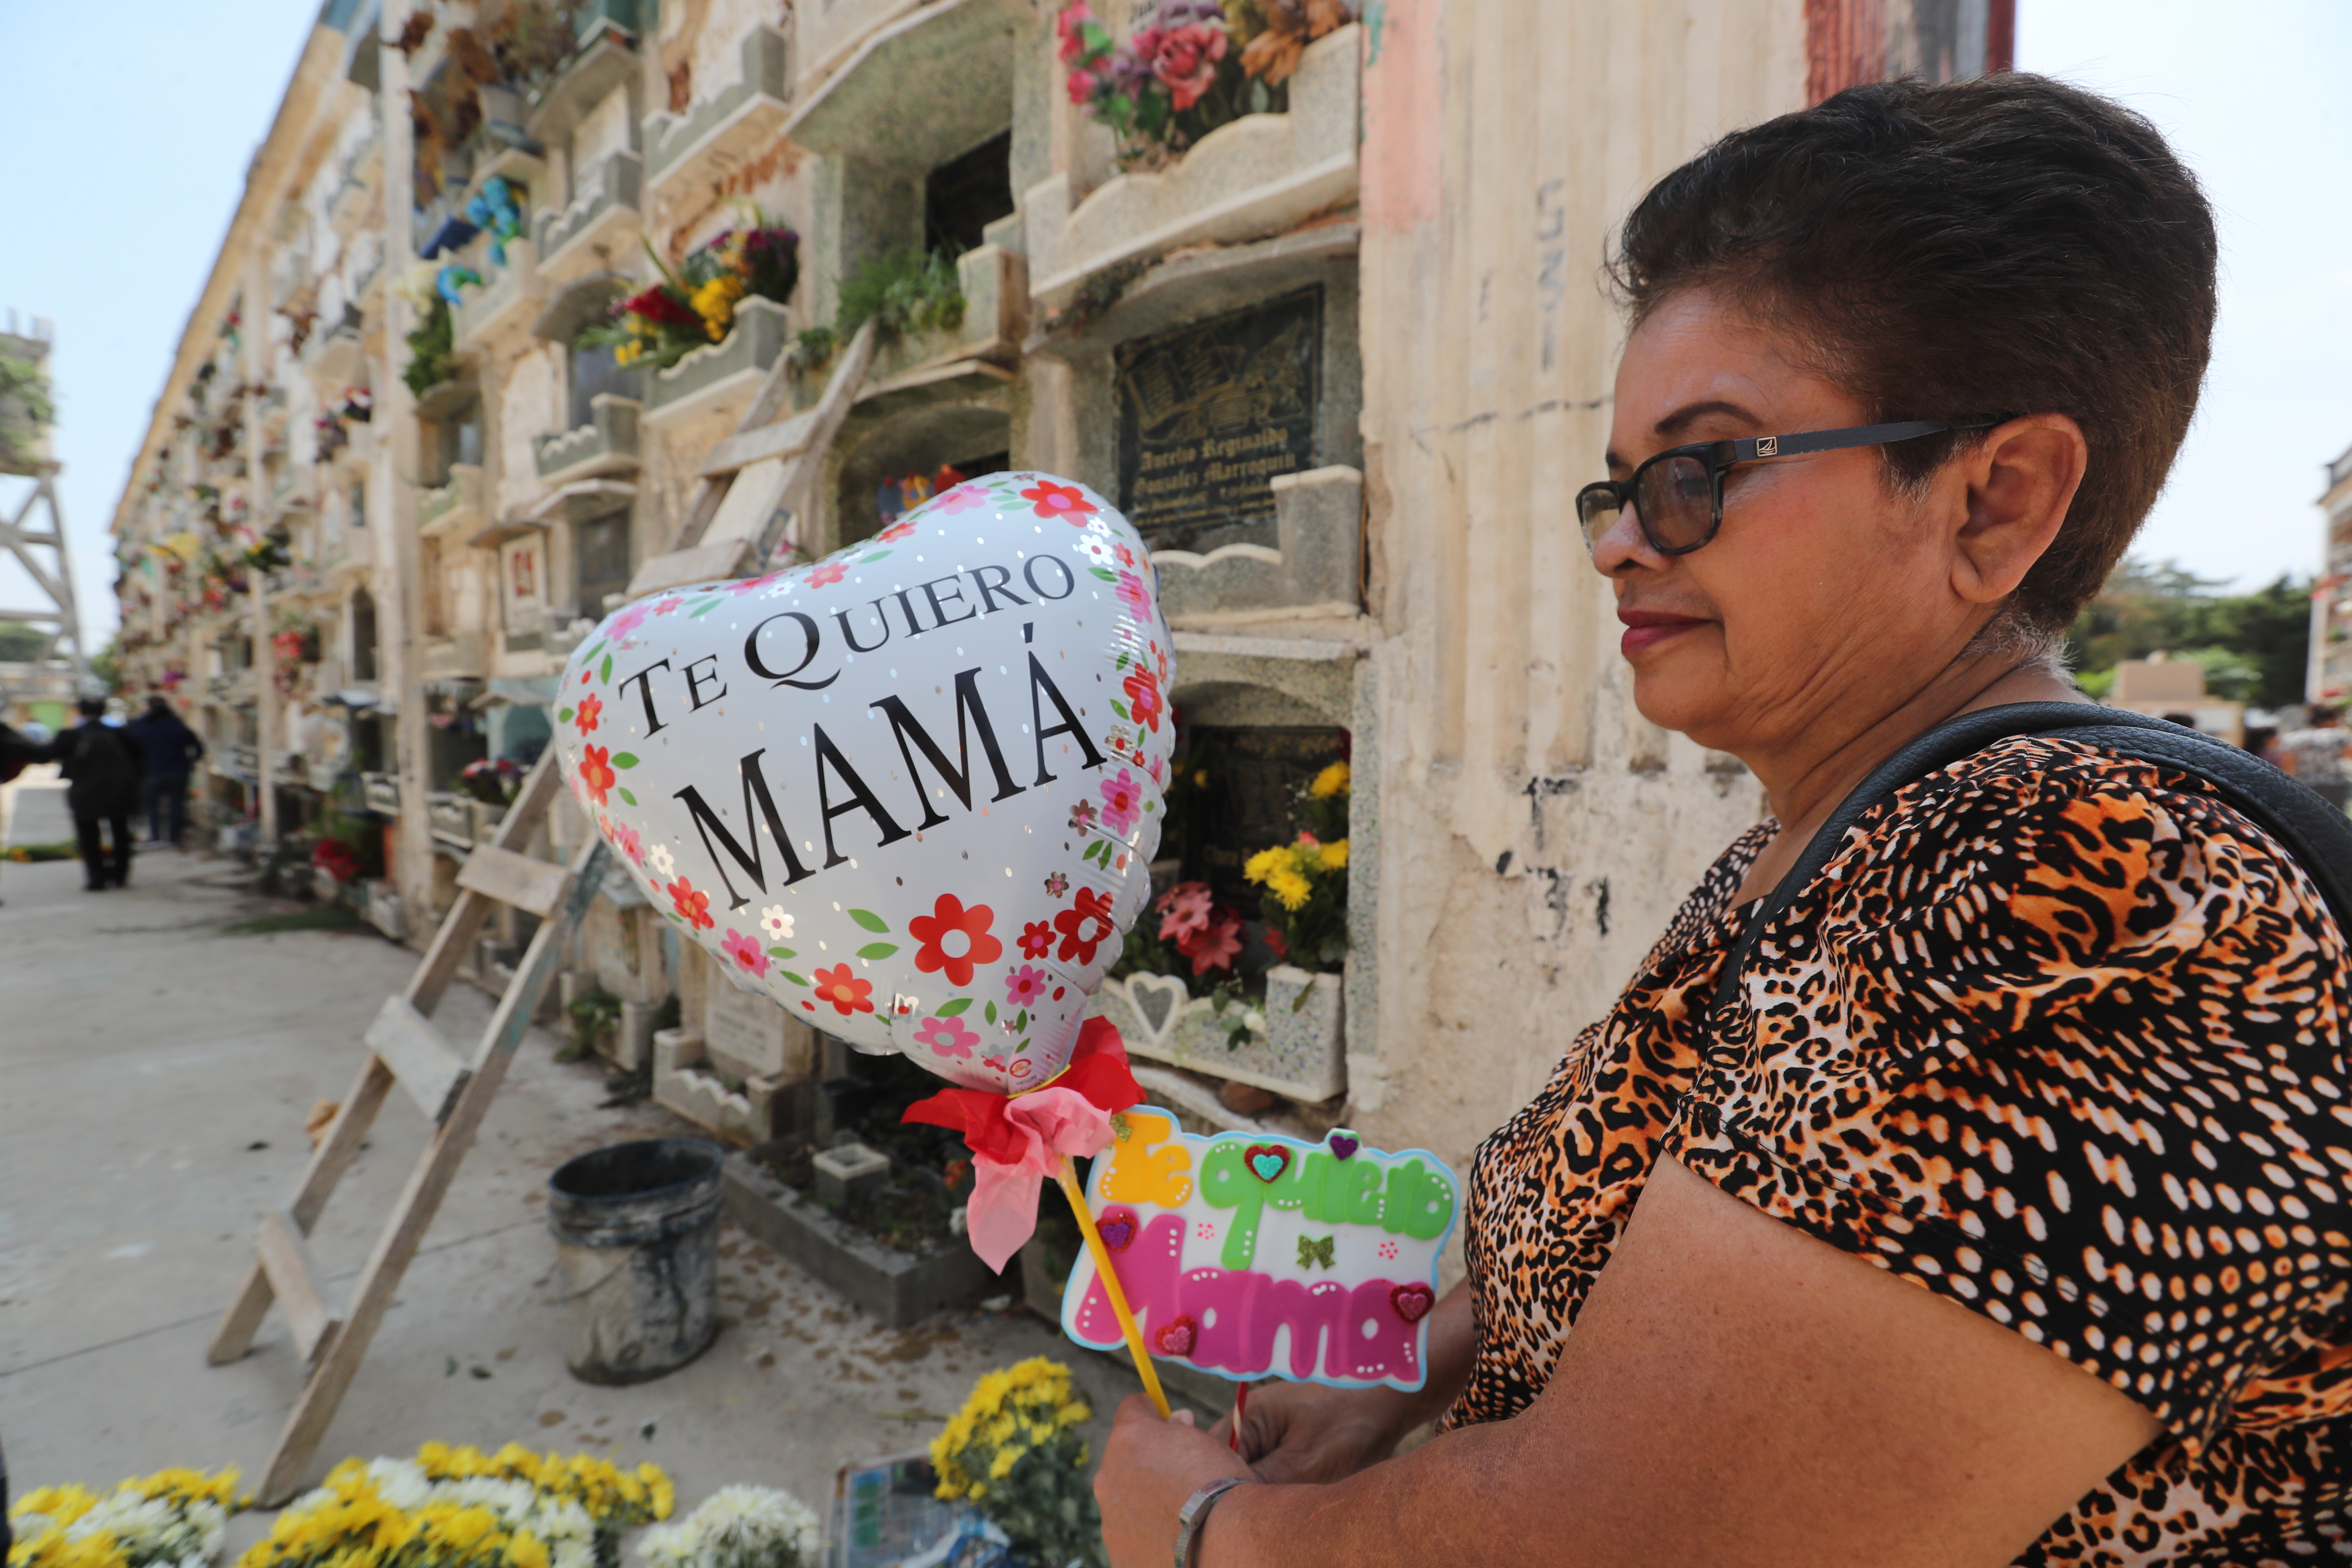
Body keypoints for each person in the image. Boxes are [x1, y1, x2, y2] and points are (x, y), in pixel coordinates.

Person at [1094, 75, 2351, 1566]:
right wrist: (1397, 1376)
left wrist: (1203, 1531)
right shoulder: (1823, 843)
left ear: (1992, 500)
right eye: (1617, 488)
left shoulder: (2075, 888)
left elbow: (1618, 1538)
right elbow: (1624, 1210)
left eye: (1697, 469)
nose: (1622, 544)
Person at [55, 695, 144, 890]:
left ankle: (97, 878)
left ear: (80, 712)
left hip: (85, 794)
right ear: (104, 711)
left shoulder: (71, 735)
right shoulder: (121, 734)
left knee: (88, 837)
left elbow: (50, 754)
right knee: (121, 833)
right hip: (120, 792)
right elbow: (141, 758)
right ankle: (121, 876)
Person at [126, 693, 205, 847]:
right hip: (179, 771)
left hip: (151, 772)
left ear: (148, 708)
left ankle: (156, 837)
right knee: (177, 804)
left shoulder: (140, 728)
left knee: (151, 806)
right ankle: (174, 837)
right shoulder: (178, 726)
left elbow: (129, 747)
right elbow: (199, 749)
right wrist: (190, 763)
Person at [2277, 703, 2350, 812]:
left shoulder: (2292, 739)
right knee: (2334, 819)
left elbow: (2288, 765)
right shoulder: (2339, 736)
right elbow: (2349, 755)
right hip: (2333, 784)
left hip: (2304, 784)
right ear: (2330, 720)